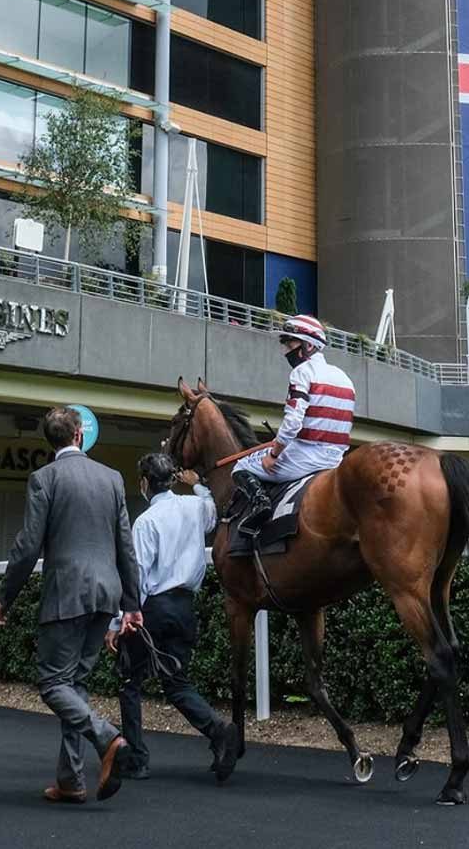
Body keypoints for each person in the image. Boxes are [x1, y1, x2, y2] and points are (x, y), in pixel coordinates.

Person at [0, 405, 143, 805]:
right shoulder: (111, 478)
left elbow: (27, 546)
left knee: (53, 683)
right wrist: (132, 603)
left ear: (52, 440)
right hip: (107, 595)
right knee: (75, 684)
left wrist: (5, 596)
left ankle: (107, 737)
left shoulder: (45, 479)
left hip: (67, 593)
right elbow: (125, 545)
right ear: (79, 435)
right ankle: (71, 780)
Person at [111, 453, 230, 780]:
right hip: (185, 608)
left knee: (130, 682)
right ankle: (218, 730)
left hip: (152, 609)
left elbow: (136, 577)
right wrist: (199, 484)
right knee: (176, 683)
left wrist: (120, 620)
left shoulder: (146, 521)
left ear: (146, 483)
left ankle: (138, 759)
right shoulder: (195, 507)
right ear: (174, 479)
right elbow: (212, 508)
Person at [230, 313, 356, 556]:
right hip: (336, 460)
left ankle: (261, 506)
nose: (286, 350)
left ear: (308, 346)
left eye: (291, 344)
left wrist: (274, 454)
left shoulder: (302, 373)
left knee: (240, 466)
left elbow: (293, 422)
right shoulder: (345, 378)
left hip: (304, 458)